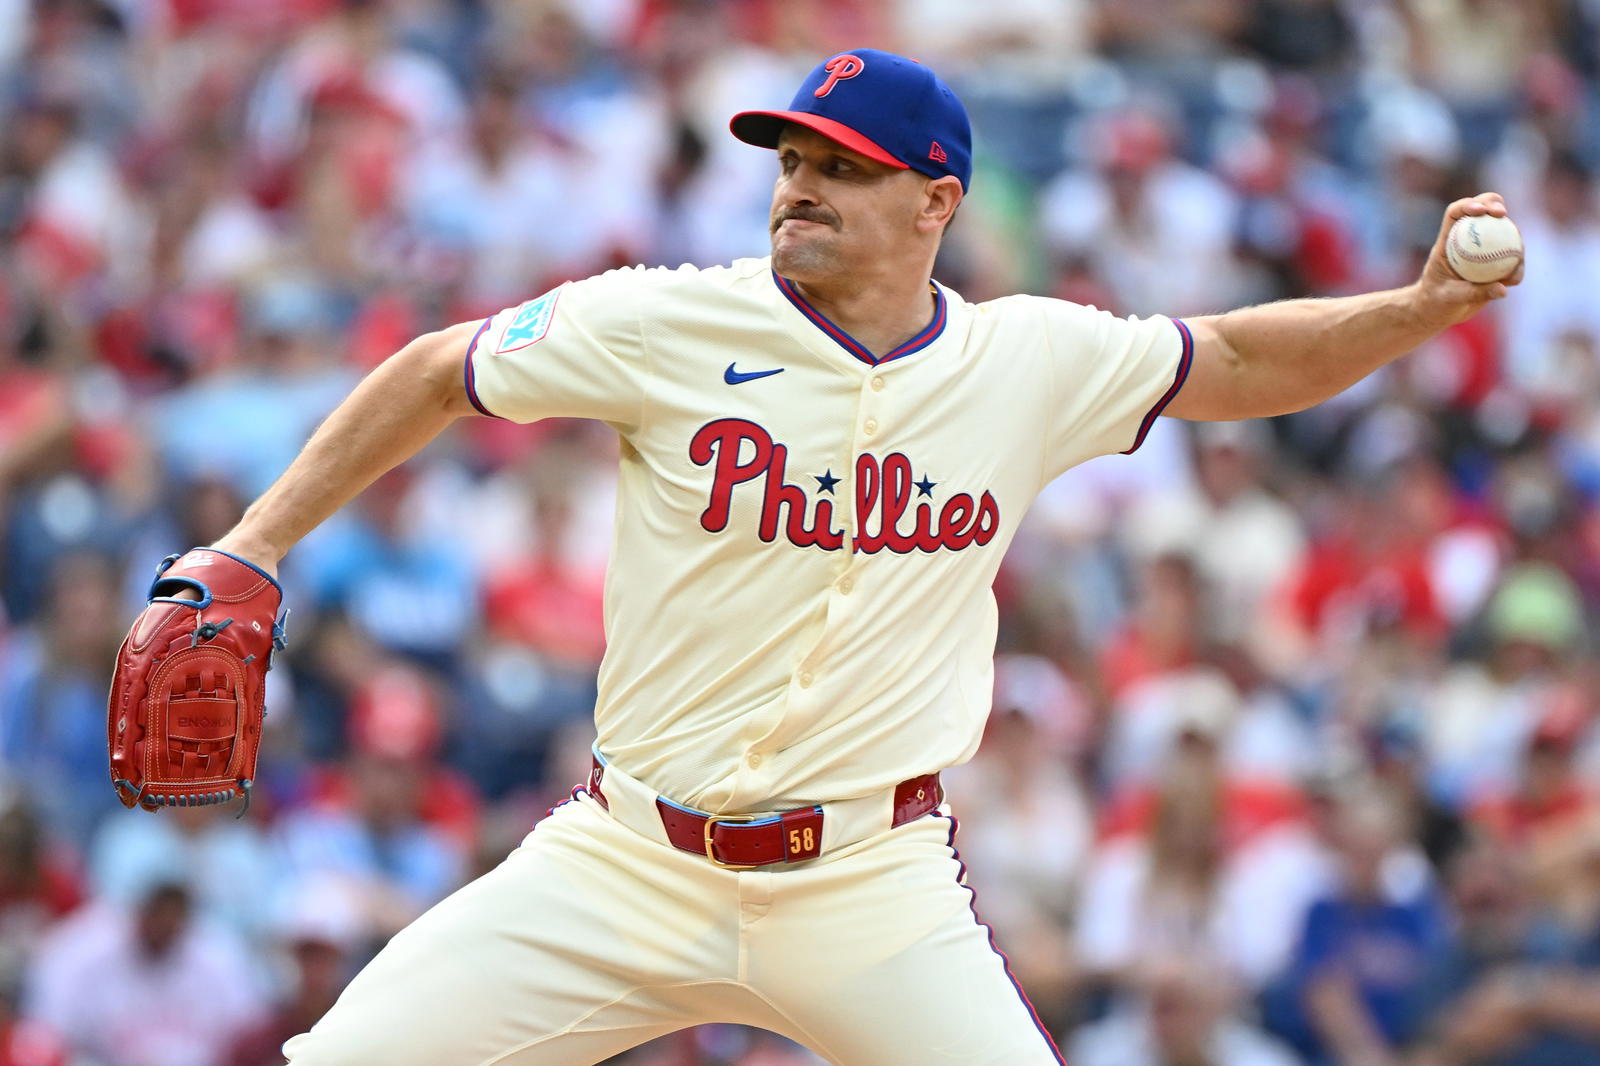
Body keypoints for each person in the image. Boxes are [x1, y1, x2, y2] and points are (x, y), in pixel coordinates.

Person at [161, 46, 1520, 1066]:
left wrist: (1415, 308)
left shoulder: (1026, 360)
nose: (798, 189)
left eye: (839, 168)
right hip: (625, 861)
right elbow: (438, 371)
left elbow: (1231, 357)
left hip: (868, 884)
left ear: (935, 201)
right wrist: (255, 539)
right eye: (791, 163)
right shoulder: (668, 322)